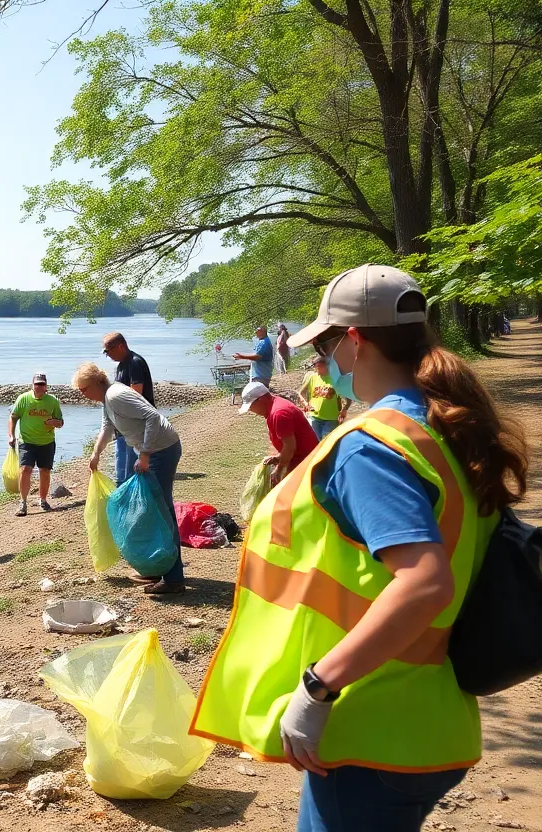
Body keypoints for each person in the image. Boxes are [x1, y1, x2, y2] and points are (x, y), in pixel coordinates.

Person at [191, 264, 528, 832]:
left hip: (372, 727)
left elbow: (424, 583)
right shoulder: (443, 425)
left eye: (322, 345)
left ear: (354, 342)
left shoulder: (371, 448)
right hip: (428, 714)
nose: (318, 361)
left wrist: (317, 687)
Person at [75, 363, 186, 595]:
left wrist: (144, 453)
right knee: (148, 510)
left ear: (96, 383)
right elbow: (107, 426)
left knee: (161, 511)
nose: (83, 394)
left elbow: (152, 417)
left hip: (162, 451)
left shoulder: (116, 395)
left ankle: (174, 578)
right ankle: (156, 566)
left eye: (84, 389)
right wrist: (96, 453)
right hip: (152, 452)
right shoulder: (107, 399)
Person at [239, 380, 319, 485]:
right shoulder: (273, 407)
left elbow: (290, 447)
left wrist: (279, 470)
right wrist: (278, 457)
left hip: (305, 462)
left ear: (261, 400)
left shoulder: (279, 413)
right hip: (300, 460)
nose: (250, 410)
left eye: (250, 406)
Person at [102, 331, 155, 485]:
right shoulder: (121, 366)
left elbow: (134, 396)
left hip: (135, 427)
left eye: (108, 351)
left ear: (120, 346)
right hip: (123, 428)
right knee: (122, 473)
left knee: (132, 474)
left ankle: (136, 505)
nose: (107, 355)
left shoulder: (135, 363)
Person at [8, 373, 64, 516]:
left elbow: (61, 422)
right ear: (32, 385)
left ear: (46, 387)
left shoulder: (52, 401)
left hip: (47, 441)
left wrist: (54, 422)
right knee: (25, 469)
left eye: (42, 384)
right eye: (37, 384)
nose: (39, 387)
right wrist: (11, 435)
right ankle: (23, 503)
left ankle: (43, 500)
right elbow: (13, 417)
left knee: (44, 471)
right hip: (26, 441)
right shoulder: (23, 399)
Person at [297, 354, 350, 440]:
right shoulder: (312, 377)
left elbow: (348, 398)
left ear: (327, 366)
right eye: (315, 367)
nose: (316, 369)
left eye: (319, 367)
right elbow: (301, 392)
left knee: (328, 441)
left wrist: (344, 409)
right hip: (314, 417)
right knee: (315, 441)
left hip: (331, 418)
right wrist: (305, 403)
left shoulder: (335, 379)